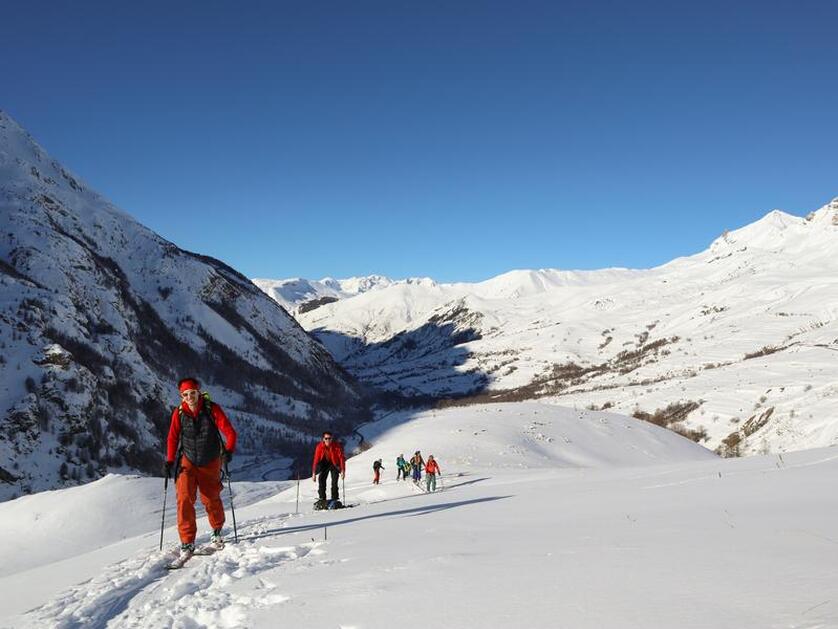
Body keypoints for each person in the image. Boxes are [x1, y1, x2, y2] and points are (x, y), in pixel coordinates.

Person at [164, 377, 237, 558]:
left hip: (210, 459)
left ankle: (217, 529)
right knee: (184, 497)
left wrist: (228, 451)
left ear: (199, 392)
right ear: (181, 396)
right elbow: (172, 438)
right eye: (185, 394)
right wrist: (170, 460)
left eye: (192, 393)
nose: (189, 397)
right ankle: (187, 541)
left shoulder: (212, 409)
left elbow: (230, 432)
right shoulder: (179, 413)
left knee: (210, 498)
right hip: (187, 459)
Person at [312, 431, 346, 509]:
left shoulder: (336, 446)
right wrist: (313, 473)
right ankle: (322, 498)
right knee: (321, 480)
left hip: (334, 464)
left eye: (329, 438)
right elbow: (316, 459)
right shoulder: (319, 447)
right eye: (326, 438)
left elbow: (341, 458)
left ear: (332, 439)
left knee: (334, 481)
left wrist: (342, 470)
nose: (327, 440)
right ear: (323, 439)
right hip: (324, 464)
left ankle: (334, 498)